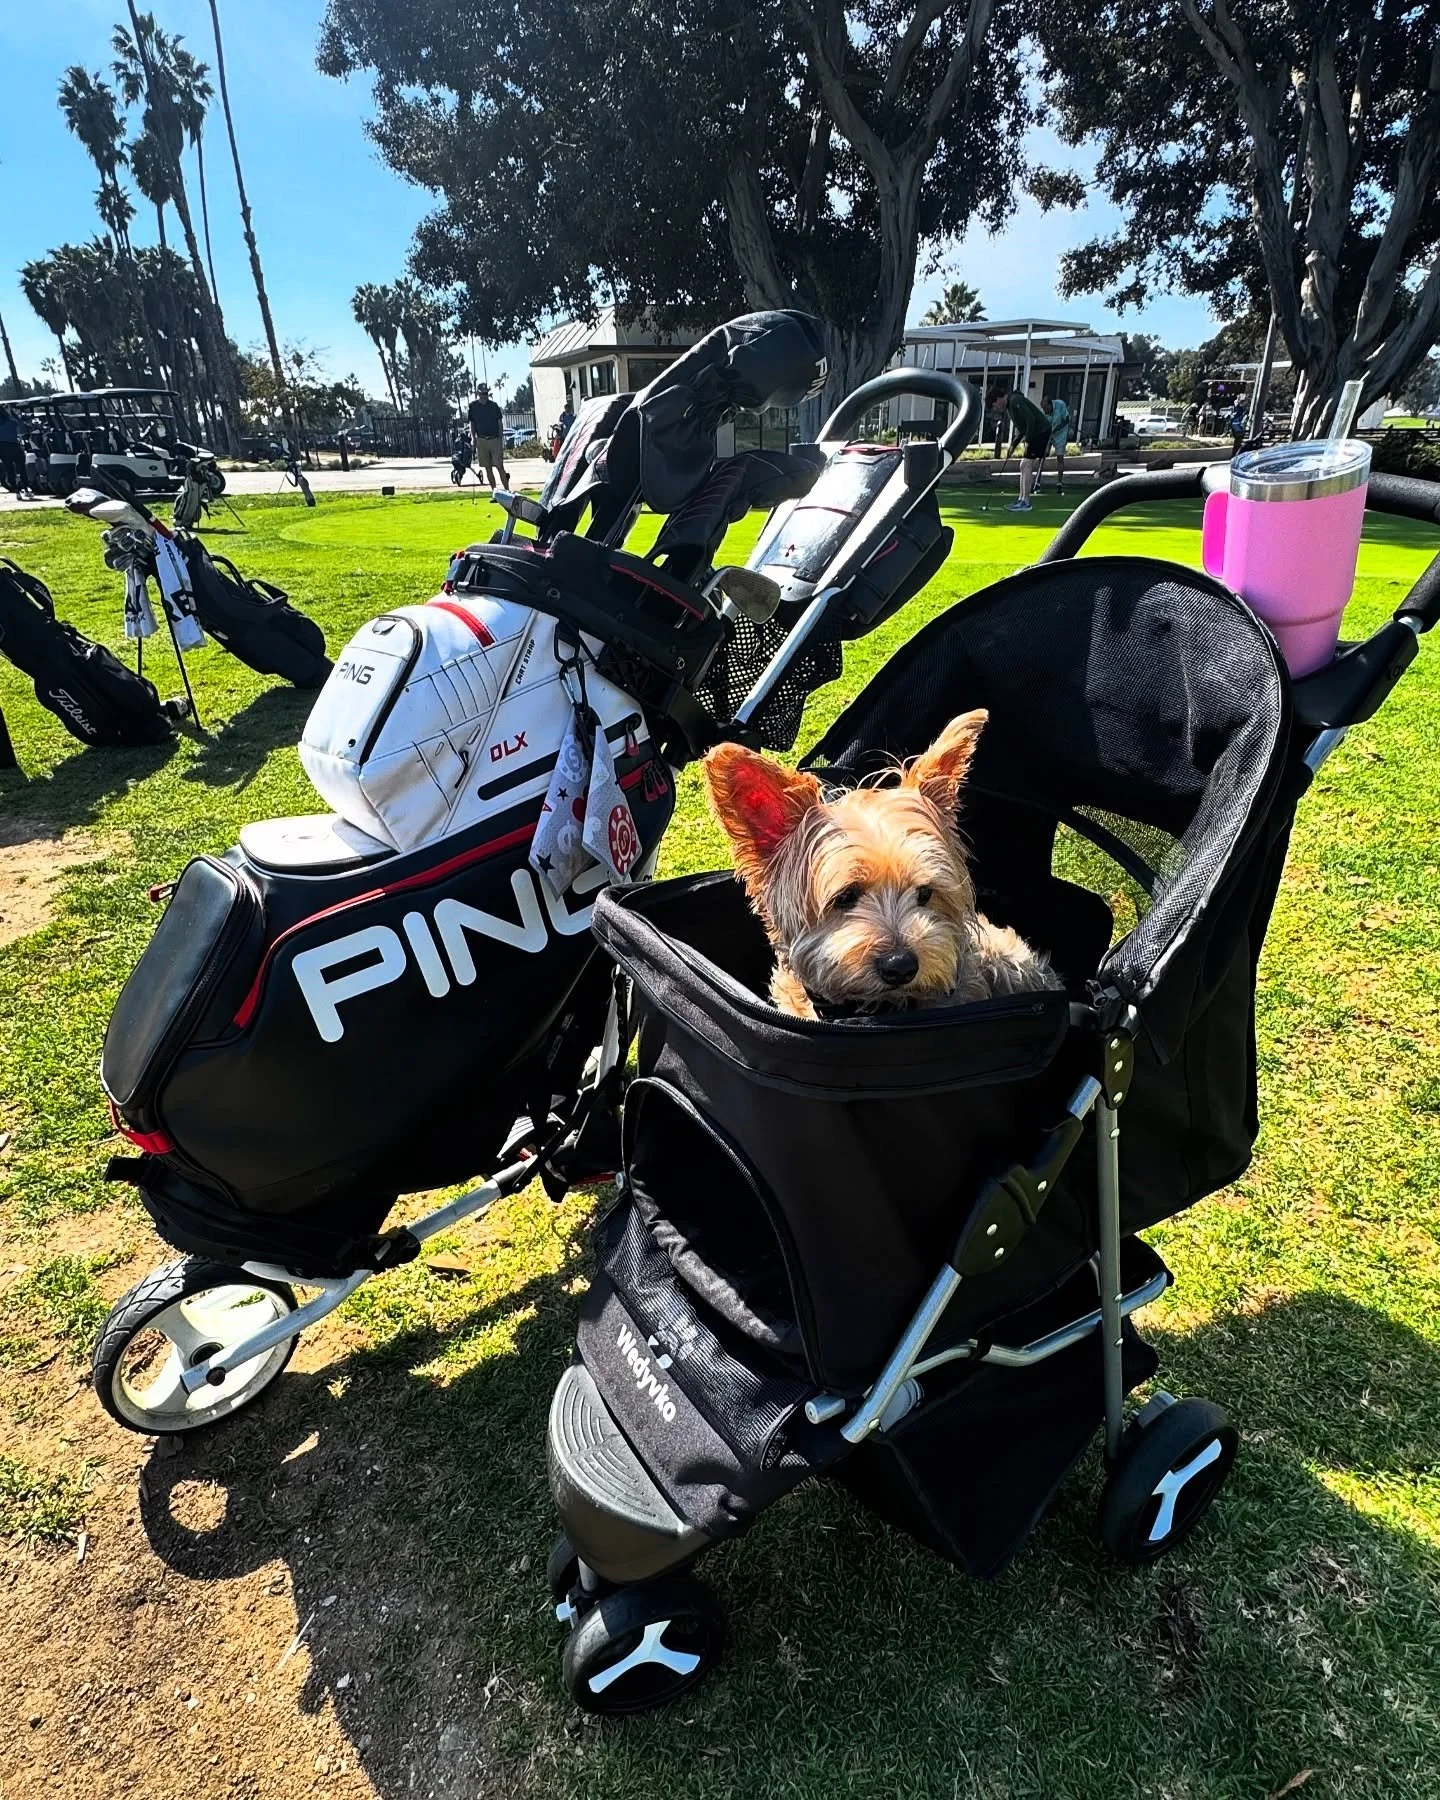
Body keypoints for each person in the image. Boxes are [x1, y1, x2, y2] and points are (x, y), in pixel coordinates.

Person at [988, 381, 1052, 511]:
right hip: (1035, 433)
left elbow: (1030, 420)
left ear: (998, 399)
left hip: (1041, 432)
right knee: (1023, 465)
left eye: (995, 406)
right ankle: (1021, 499)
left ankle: (1026, 502)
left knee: (1026, 464)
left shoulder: (1016, 401)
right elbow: (1021, 428)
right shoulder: (1010, 407)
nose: (996, 409)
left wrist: (1028, 441)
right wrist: (1013, 446)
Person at [467, 384, 509, 487]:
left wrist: (501, 438)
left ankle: (507, 491)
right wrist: (473, 438)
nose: (484, 396)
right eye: (482, 393)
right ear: (478, 393)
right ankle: (495, 492)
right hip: (481, 440)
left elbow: (500, 423)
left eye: (485, 393)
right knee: (487, 467)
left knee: (499, 466)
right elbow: (472, 423)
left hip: (494, 439)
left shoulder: (494, 406)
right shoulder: (473, 407)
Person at [0, 405, 24, 497]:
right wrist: (12, 412)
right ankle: (20, 485)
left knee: (8, 467)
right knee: (17, 466)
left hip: (2, 445)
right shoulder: (10, 419)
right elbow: (18, 422)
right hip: (13, 444)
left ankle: (14, 485)